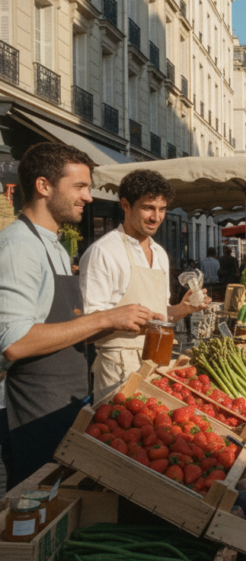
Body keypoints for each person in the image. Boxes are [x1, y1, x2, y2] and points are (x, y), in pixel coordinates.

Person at [0, 143, 157, 487]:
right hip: (29, 410)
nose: (88, 196)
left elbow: (59, 325)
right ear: (44, 186)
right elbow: (14, 342)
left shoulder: (53, 245)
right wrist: (105, 318)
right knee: (35, 511)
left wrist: (120, 322)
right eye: (79, 187)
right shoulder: (18, 248)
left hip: (61, 400)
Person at [80, 169, 210, 399]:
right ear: (126, 205)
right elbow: (86, 327)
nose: (156, 217)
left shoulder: (159, 253)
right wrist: (122, 321)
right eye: (148, 207)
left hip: (157, 362)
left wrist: (184, 308)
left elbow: (161, 316)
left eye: (161, 209)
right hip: (119, 366)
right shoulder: (104, 251)